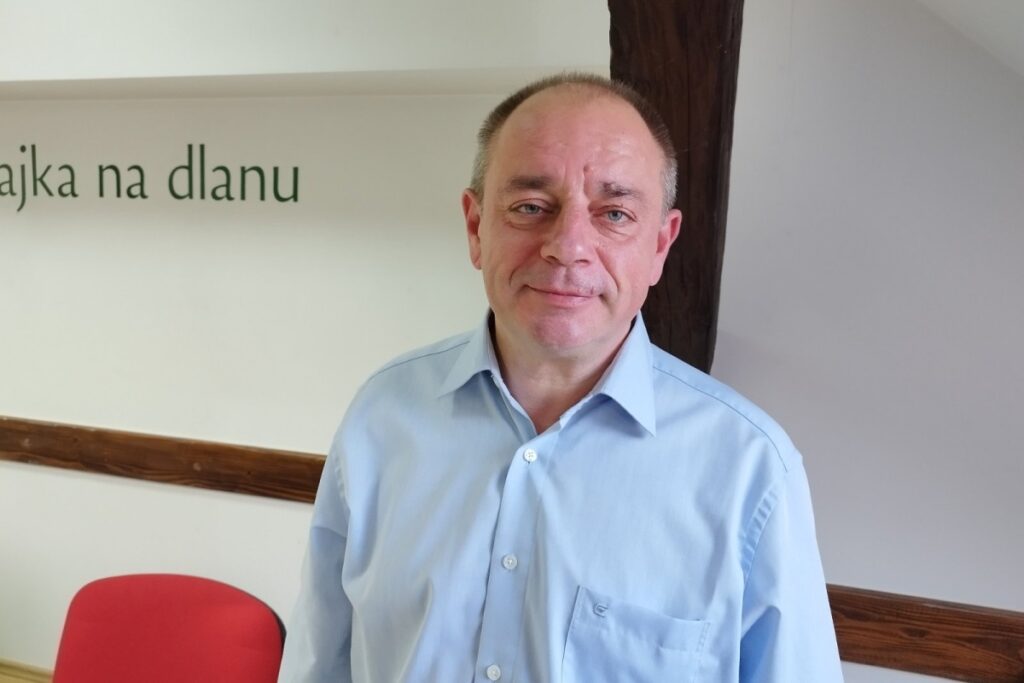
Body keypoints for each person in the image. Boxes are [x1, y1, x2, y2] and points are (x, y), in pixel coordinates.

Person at [278, 73, 843, 682]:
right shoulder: (383, 415)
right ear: (475, 226)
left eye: (615, 213)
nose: (567, 246)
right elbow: (318, 664)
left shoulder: (750, 470)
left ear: (660, 245)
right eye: (530, 207)